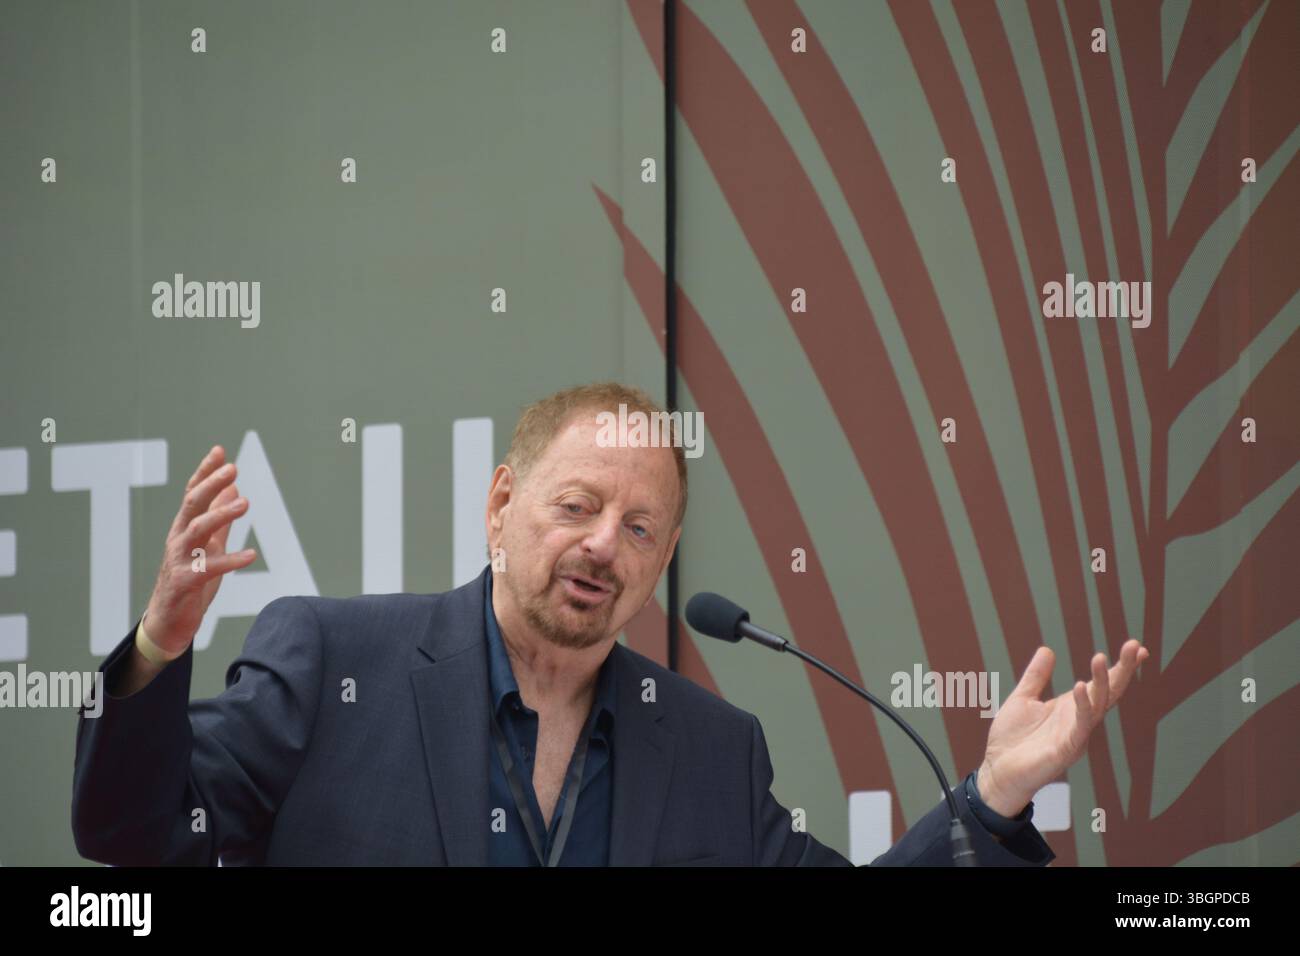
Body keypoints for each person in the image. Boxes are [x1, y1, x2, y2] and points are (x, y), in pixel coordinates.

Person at [71, 381, 1147, 865]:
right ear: (501, 505)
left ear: (661, 563)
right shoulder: (334, 659)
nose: (601, 544)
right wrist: (159, 647)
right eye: (576, 506)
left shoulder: (711, 749)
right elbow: (133, 838)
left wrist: (994, 791)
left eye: (638, 527)